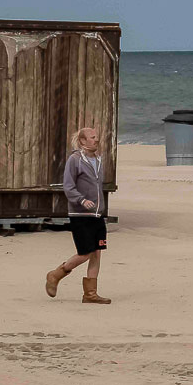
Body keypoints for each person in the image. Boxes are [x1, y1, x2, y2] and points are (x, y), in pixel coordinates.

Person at [44, 127, 111, 304]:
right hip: (80, 215)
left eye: (96, 137)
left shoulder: (98, 159)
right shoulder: (75, 160)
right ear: (82, 141)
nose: (96, 140)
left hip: (97, 215)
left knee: (96, 253)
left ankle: (90, 294)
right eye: (92, 137)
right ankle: (55, 275)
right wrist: (81, 200)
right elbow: (68, 186)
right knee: (85, 253)